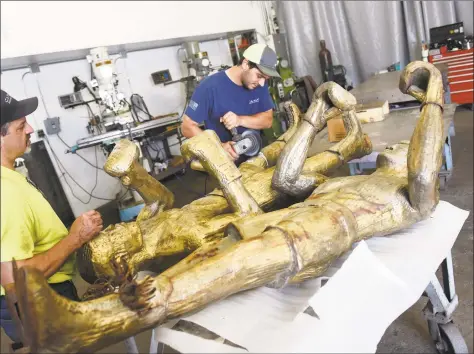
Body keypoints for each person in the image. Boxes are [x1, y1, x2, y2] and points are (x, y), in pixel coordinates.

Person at [0, 89, 103, 350]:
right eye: (21, 126)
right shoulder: (5, 191)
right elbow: (15, 279)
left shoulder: (11, 178)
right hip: (38, 303)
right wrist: (76, 238)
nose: (31, 129)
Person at [181, 43, 280, 163]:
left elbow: (267, 120)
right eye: (259, 76)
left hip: (255, 159)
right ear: (245, 64)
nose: (262, 83)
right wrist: (219, 147)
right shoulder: (209, 87)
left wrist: (240, 120)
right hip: (224, 164)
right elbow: (187, 127)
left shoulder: (259, 85)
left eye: (266, 78)